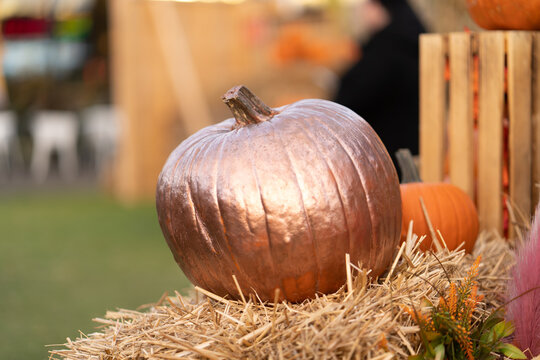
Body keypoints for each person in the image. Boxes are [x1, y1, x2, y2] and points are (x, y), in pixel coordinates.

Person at [334, 0, 425, 174]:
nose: (362, 13)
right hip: (414, 145)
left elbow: (353, 95)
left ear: (381, 9)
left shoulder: (386, 49)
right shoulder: (412, 41)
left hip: (385, 153)